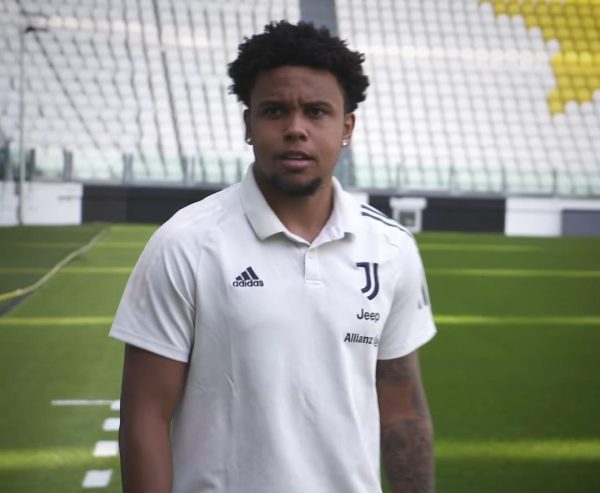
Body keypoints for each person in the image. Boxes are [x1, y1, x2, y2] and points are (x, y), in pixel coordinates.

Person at [110, 20, 436, 493]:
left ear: (346, 127)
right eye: (275, 111)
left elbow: (402, 412)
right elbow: (146, 415)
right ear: (249, 124)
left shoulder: (391, 249)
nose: (295, 129)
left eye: (317, 111)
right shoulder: (185, 243)